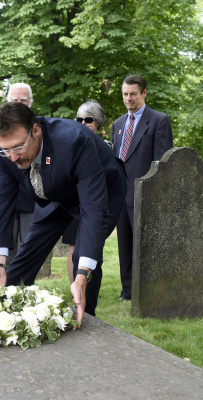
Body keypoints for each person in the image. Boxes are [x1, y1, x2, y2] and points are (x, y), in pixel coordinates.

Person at [0, 102, 126, 324]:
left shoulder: (75, 141)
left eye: (18, 147)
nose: (12, 157)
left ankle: (86, 315)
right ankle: (9, 312)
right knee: (28, 251)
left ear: (36, 131)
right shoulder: (1, 144)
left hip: (101, 188)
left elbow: (92, 209)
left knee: (83, 254)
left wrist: (81, 275)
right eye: (6, 149)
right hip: (53, 191)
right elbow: (3, 200)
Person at [111, 75, 173, 301]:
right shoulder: (118, 125)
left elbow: (162, 164)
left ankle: (148, 289)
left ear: (144, 93)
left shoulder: (159, 121)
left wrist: (157, 196)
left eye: (133, 94)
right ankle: (127, 291)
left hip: (145, 195)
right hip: (121, 196)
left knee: (146, 247)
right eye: (125, 94)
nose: (129, 98)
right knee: (124, 245)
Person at [0, 83, 36, 265]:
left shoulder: (36, 127)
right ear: (8, 102)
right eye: (16, 100)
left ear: (30, 102)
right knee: (7, 245)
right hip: (6, 195)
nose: (20, 103)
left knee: (30, 245)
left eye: (24, 100)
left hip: (32, 196)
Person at [63, 100, 114, 283]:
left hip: (95, 205)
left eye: (88, 119)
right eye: (79, 119)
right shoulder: (69, 144)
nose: (83, 123)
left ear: (98, 123)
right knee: (73, 248)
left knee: (93, 249)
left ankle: (88, 292)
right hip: (74, 203)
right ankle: (74, 289)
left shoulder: (107, 147)